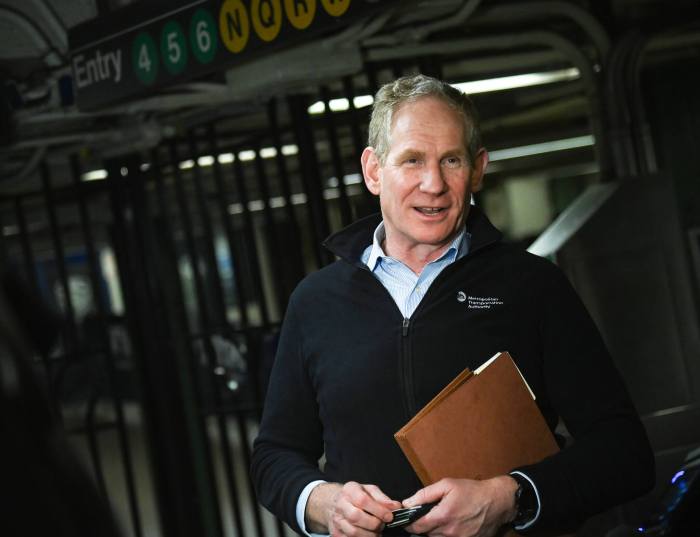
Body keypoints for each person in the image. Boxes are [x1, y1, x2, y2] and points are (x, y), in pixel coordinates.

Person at [251, 74, 655, 537]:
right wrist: (324, 502)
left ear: (477, 168)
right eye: (412, 160)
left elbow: (625, 454)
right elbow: (274, 456)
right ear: (373, 170)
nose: (434, 183)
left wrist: (511, 497)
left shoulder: (531, 286)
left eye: (451, 160)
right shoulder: (316, 303)